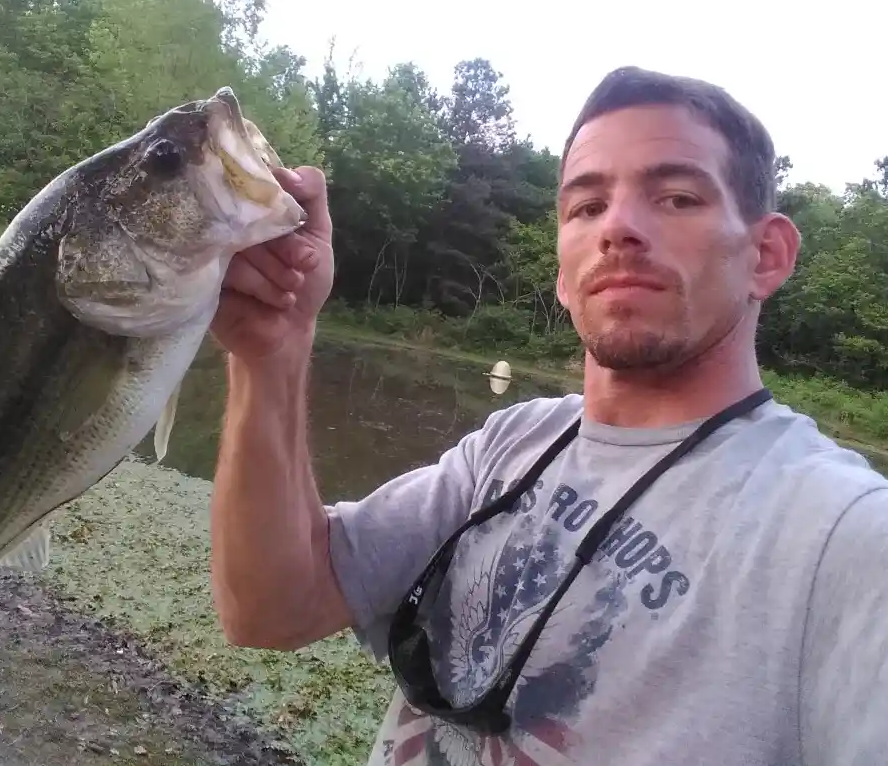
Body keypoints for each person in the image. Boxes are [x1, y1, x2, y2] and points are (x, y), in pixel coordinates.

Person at [208, 66, 888, 766]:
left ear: (765, 255)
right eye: (586, 207)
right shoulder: (514, 442)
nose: (618, 227)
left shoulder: (843, 534)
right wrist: (273, 354)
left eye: (676, 197)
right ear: (563, 277)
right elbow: (270, 607)